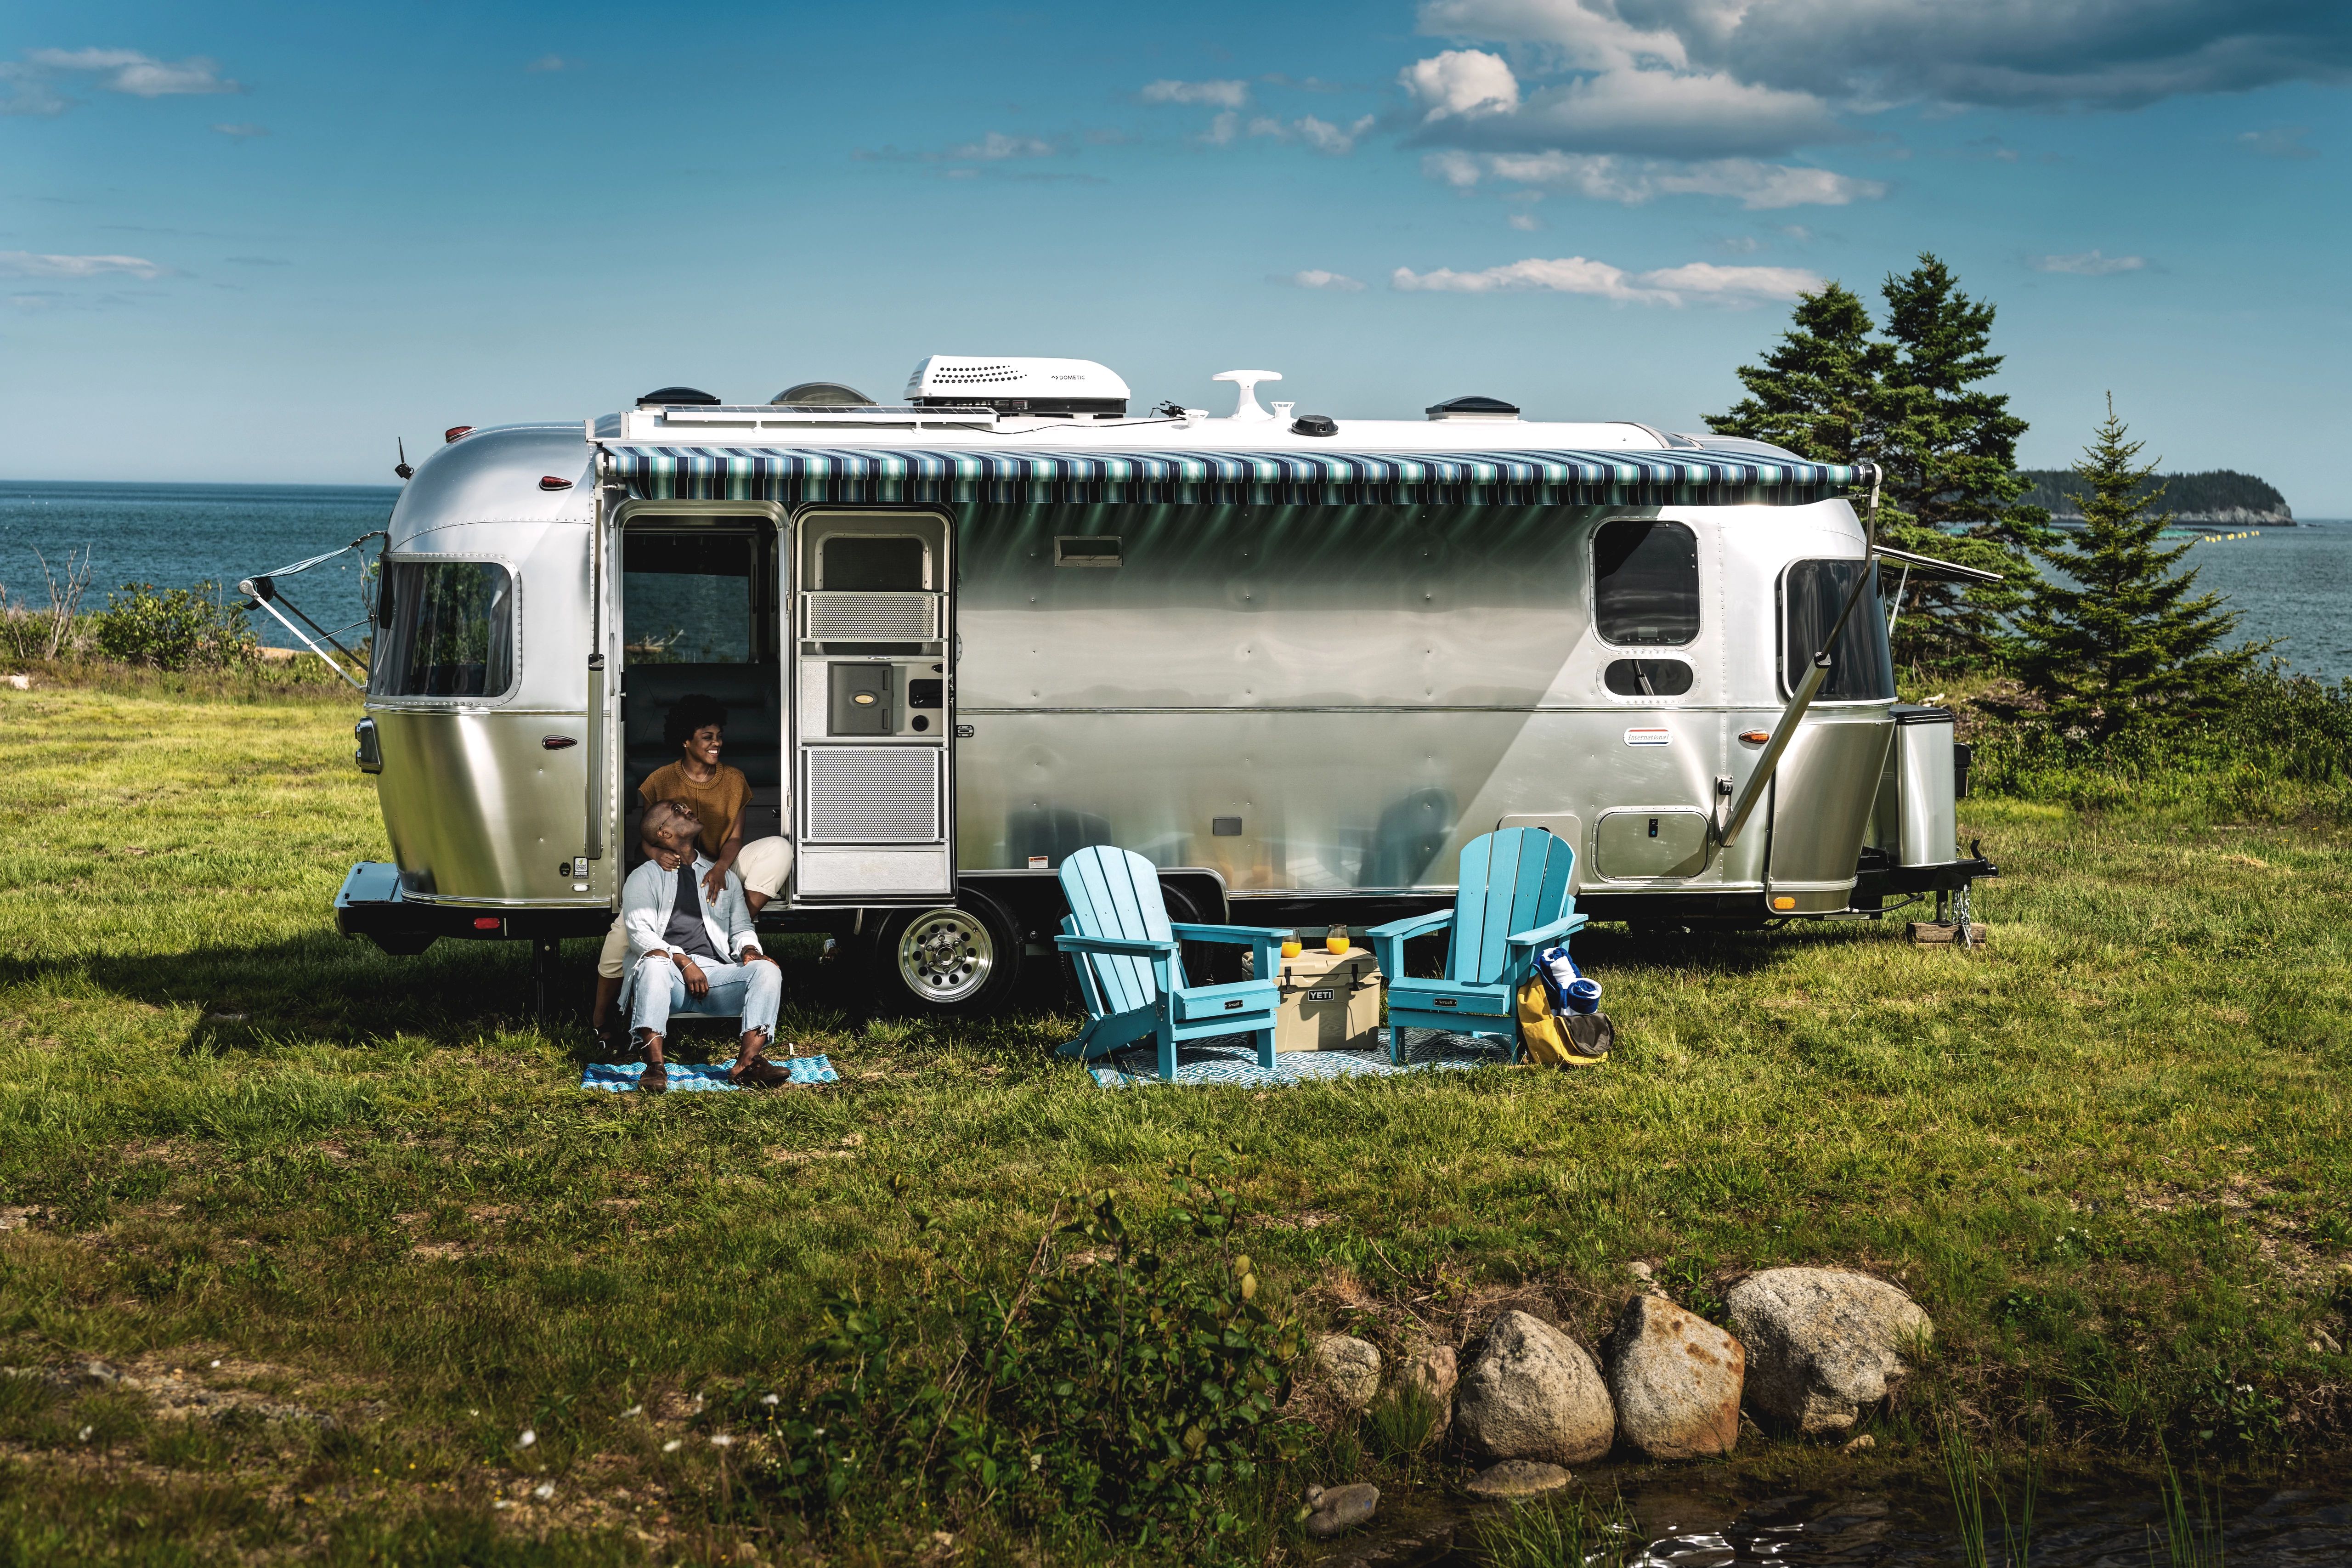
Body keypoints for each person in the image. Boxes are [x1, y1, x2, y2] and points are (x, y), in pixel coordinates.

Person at [591, 693, 793, 1043]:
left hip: (720, 871)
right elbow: (649, 835)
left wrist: (720, 870)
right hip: (674, 872)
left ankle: (731, 929)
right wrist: (656, 856)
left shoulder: (734, 779)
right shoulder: (660, 780)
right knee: (618, 937)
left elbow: (735, 838)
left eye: (719, 736)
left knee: (780, 848)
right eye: (708, 737)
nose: (717, 743)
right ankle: (600, 1020)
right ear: (686, 741)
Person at [621, 799, 788, 1091]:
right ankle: (654, 1067)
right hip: (668, 976)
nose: (686, 809)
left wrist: (750, 950)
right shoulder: (644, 876)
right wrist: (684, 962)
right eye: (676, 811)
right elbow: (639, 933)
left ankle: (748, 1064)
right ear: (664, 834)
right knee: (652, 962)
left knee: (767, 970)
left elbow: (741, 927)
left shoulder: (722, 877)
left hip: (715, 977)